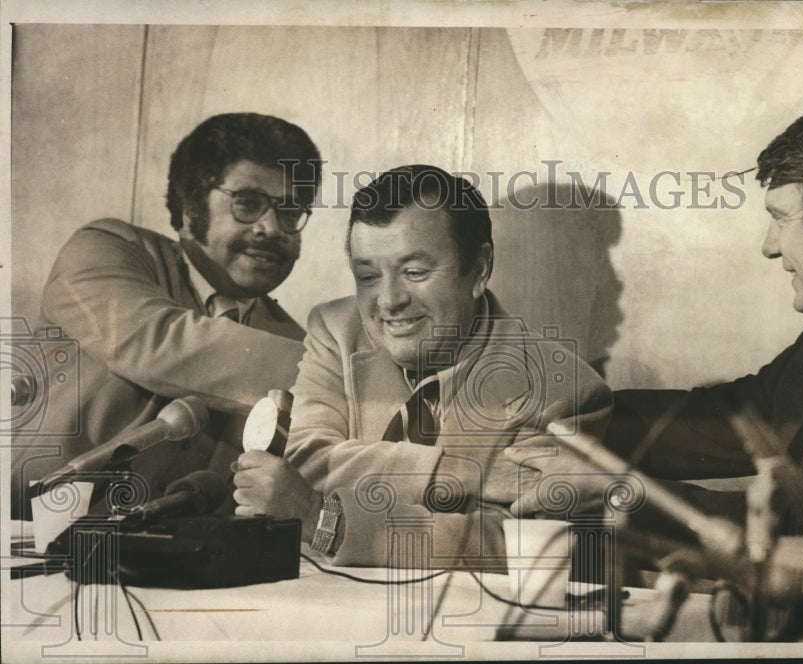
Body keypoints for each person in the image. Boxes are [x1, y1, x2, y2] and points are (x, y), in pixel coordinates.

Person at [510, 95, 803, 553]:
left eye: (781, 219)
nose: (770, 247)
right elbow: (736, 419)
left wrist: (618, 494)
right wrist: (564, 420)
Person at [232, 165, 612, 568]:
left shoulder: (562, 387)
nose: (389, 300)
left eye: (415, 272)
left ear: (479, 270)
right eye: (368, 275)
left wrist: (327, 519)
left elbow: (514, 543)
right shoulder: (336, 329)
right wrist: (458, 474)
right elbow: (305, 456)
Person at [10, 113, 321, 519]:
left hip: (161, 564)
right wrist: (339, 373)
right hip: (22, 533)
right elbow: (159, 342)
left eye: (290, 212)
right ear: (191, 204)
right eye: (247, 204)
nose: (271, 228)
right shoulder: (107, 250)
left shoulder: (289, 337)